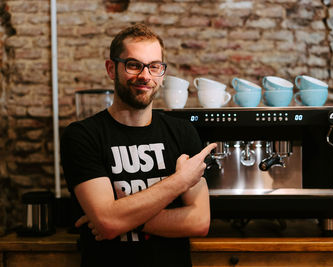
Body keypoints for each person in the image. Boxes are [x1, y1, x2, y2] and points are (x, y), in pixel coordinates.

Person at [60, 23, 217, 267]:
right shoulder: (82, 136)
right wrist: (179, 181)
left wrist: (125, 215)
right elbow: (108, 223)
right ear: (112, 69)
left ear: (162, 74)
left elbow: (199, 221)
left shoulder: (182, 132)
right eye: (134, 65)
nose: (145, 76)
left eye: (155, 67)